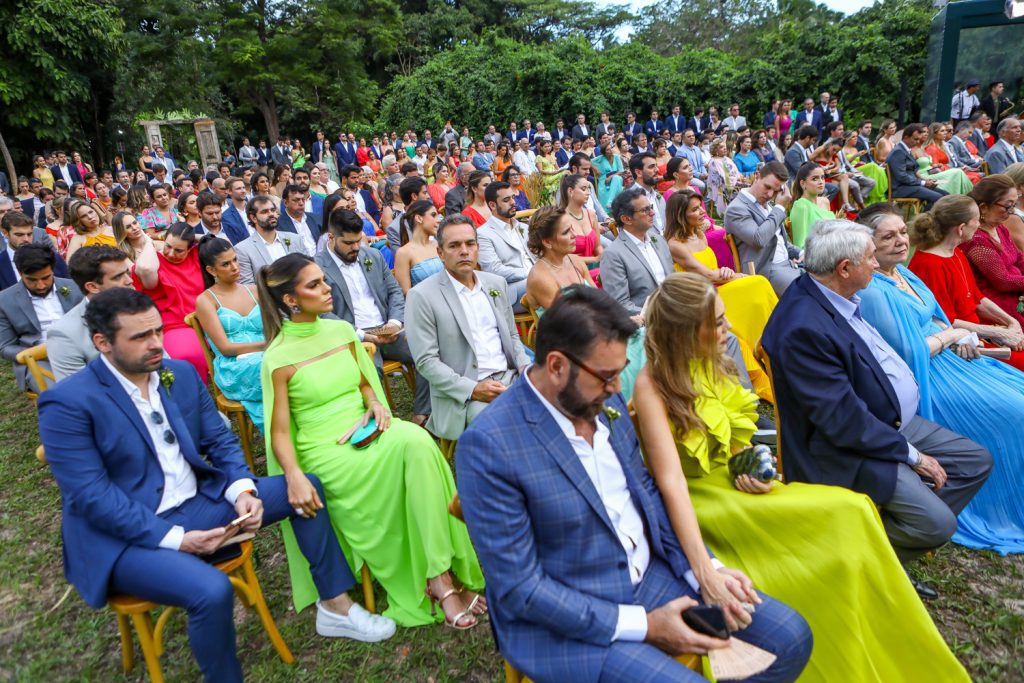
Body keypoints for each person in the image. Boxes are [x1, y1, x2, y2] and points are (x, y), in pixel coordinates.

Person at [456, 284, 814, 683]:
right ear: (556, 366)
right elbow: (521, 589)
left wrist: (705, 572)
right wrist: (646, 625)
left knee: (791, 637)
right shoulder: (488, 445)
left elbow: (646, 492)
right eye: (607, 377)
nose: (615, 391)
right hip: (569, 620)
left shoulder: (601, 401)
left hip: (656, 576)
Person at [41, 288, 395, 683]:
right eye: (140, 337)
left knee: (304, 487)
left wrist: (242, 489)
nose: (156, 343)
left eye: (158, 331)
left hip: (199, 501)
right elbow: (92, 497)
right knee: (211, 591)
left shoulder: (180, 373)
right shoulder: (67, 402)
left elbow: (220, 442)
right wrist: (178, 538)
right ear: (102, 343)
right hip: (125, 538)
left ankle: (335, 606)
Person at [634, 273, 970, 682]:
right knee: (840, 518)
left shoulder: (713, 362)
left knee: (853, 510)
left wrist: (753, 466)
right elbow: (669, 482)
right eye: (719, 323)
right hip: (699, 502)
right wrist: (704, 569)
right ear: (686, 332)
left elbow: (734, 444)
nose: (729, 330)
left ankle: (869, 615)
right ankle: (839, 627)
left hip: (736, 485)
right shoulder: (653, 385)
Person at [257, 253, 484, 626]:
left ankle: (439, 572)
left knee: (417, 442)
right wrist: (294, 476)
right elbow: (280, 432)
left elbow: (364, 382)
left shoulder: (342, 331)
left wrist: (376, 403)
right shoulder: (277, 358)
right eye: (314, 284)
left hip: (365, 426)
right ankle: (440, 582)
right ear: (290, 300)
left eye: (323, 280)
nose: (327, 287)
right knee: (406, 452)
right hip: (326, 451)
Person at [761, 220, 992, 577]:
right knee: (936, 525)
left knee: (975, 462)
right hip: (845, 447)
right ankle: (855, 570)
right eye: (871, 258)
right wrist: (910, 456)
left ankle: (879, 545)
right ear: (844, 268)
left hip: (887, 421)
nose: (877, 265)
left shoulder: (830, 293)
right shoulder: (804, 326)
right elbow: (843, 421)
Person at [855, 204, 1024, 553]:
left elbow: (941, 318)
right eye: (888, 236)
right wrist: (950, 337)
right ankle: (996, 507)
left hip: (947, 359)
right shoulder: (873, 287)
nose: (901, 241)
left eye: (902, 232)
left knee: (1016, 387)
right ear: (867, 244)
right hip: (925, 375)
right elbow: (908, 351)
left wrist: (968, 334)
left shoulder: (903, 274)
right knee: (1015, 410)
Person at [405, 215, 530, 441]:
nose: (464, 251)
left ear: (477, 248)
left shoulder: (495, 284)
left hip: (510, 378)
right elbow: (426, 362)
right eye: (454, 245)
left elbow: (512, 335)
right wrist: (473, 389)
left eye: (470, 244)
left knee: (560, 406)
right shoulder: (422, 296)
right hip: (464, 396)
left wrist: (523, 366)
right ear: (440, 253)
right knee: (506, 426)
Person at [315, 208, 431, 423]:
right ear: (331, 238)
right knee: (371, 369)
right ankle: (383, 423)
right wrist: (362, 335)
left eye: (359, 240)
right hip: (353, 336)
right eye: (349, 243)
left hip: (387, 327)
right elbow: (322, 314)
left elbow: (394, 291)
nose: (356, 247)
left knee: (426, 350)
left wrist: (395, 322)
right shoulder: (316, 266)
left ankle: (423, 413)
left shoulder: (372, 255)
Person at [907, 195, 1024, 371]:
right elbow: (945, 322)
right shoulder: (930, 265)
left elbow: (977, 298)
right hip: (962, 347)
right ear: (961, 228)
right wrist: (999, 333)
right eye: (976, 220)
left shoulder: (955, 252)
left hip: (978, 336)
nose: (979, 225)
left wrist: (1010, 322)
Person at [664, 189, 777, 351]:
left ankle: (772, 332)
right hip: (701, 297)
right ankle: (771, 337)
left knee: (759, 287)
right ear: (681, 215)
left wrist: (725, 272)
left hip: (718, 286)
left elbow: (713, 270)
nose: (702, 211)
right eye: (695, 209)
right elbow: (707, 274)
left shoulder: (699, 235)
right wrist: (735, 275)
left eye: (700, 206)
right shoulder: (675, 245)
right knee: (758, 282)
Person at [194, 235, 267, 432]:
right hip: (234, 365)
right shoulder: (206, 300)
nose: (235, 266)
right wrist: (266, 346)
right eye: (226, 264)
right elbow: (225, 348)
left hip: (266, 355)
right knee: (271, 365)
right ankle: (280, 429)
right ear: (211, 270)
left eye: (235, 259)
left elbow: (272, 327)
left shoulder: (254, 290)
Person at [0, 243, 83, 390]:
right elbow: (5, 347)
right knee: (62, 394)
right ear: (20, 273)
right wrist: (32, 354)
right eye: (32, 280)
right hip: (39, 360)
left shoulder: (73, 287)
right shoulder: (4, 300)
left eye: (46, 278)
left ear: (53, 270)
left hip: (81, 350)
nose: (40, 285)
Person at [132, 222, 208, 380]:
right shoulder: (154, 262)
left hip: (205, 318)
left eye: (179, 250)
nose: (171, 253)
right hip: (174, 324)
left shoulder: (196, 255)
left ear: (190, 248)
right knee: (188, 354)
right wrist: (149, 243)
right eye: (168, 246)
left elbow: (223, 245)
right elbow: (145, 269)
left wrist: (196, 237)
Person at [48, 245, 134, 382]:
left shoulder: (139, 306)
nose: (130, 280)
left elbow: (163, 361)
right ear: (93, 287)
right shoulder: (64, 334)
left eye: (127, 273)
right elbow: (79, 392)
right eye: (118, 277)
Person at [723, 162, 800, 296]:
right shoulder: (737, 209)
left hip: (788, 265)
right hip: (764, 271)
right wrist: (780, 208)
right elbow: (758, 239)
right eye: (767, 187)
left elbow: (780, 242)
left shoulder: (769, 207)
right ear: (757, 176)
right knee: (809, 291)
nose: (770, 194)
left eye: (776, 191)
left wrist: (801, 253)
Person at [600, 187, 674, 317]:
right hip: (648, 322)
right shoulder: (613, 254)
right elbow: (620, 304)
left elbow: (673, 280)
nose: (652, 213)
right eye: (645, 210)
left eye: (650, 207)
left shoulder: (659, 240)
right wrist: (660, 315)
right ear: (626, 219)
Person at [477, 182, 535, 311]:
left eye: (513, 197)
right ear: (492, 205)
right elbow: (494, 270)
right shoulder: (483, 234)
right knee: (546, 282)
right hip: (512, 292)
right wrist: (531, 273)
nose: (513, 202)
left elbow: (538, 255)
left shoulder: (523, 228)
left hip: (537, 281)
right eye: (506, 200)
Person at [234, 195, 306, 285]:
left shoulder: (295, 239)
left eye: (273, 210)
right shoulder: (243, 249)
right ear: (253, 218)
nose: (271, 214)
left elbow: (307, 269)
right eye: (264, 212)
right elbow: (249, 286)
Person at [887, 123, 950, 210]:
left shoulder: (905, 150)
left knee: (946, 195)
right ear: (906, 137)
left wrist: (925, 181)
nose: (917, 142)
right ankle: (925, 221)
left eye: (918, 139)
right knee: (938, 197)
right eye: (915, 139)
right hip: (900, 188)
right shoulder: (898, 151)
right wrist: (923, 183)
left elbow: (913, 171)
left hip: (910, 185)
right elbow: (901, 176)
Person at [1, 211, 69, 290]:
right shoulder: (2, 263)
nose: (26, 239)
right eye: (19, 235)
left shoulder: (53, 257)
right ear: (5, 233)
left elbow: (69, 286)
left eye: (29, 234)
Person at [557, 174, 602, 281]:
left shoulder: (591, 215)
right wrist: (594, 259)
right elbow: (563, 258)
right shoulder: (560, 219)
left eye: (588, 189)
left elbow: (597, 246)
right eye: (583, 189)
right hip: (573, 271)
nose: (588, 193)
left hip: (596, 268)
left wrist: (601, 256)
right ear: (570, 191)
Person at [393, 200, 443, 293]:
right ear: (419, 218)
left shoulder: (438, 244)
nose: (438, 220)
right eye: (433, 215)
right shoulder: (403, 252)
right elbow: (405, 292)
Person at [788, 162, 836, 248]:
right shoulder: (801, 205)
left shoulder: (825, 201)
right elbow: (800, 244)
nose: (821, 182)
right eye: (815, 179)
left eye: (822, 177)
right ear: (803, 183)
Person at [277, 183, 320, 256]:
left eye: (303, 200)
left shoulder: (316, 219)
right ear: (285, 202)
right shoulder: (278, 225)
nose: (301, 203)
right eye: (296, 200)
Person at [593, 140, 625, 212]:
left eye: (611, 148)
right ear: (604, 152)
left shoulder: (616, 157)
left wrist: (611, 177)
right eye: (608, 149)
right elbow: (588, 161)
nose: (610, 151)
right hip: (604, 180)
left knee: (616, 178)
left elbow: (621, 171)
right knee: (606, 186)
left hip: (616, 178)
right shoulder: (601, 158)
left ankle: (610, 201)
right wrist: (594, 168)